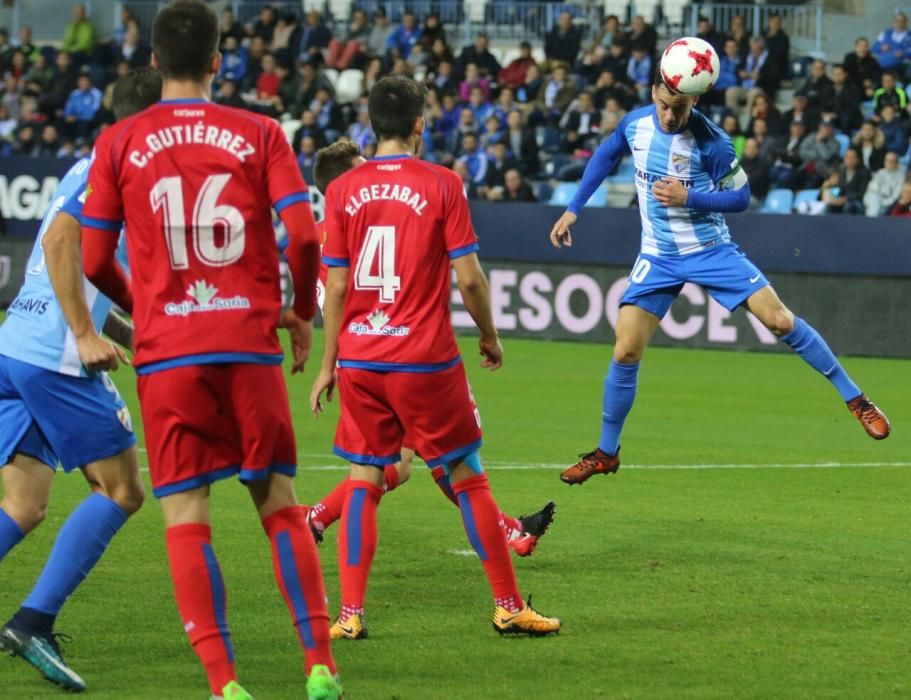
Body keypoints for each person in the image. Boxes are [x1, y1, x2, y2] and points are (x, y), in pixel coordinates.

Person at [77, 3, 342, 698]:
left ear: (155, 60)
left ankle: (225, 682)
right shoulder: (259, 132)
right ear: (220, 60)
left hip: (168, 356)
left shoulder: (117, 143)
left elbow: (94, 255)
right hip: (248, 347)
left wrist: (146, 306)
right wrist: (302, 312)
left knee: (186, 514)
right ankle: (319, 662)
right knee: (279, 503)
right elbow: (306, 238)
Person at [546, 69, 891, 485]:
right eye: (664, 105)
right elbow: (604, 155)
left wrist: (688, 195)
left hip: (710, 250)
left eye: (680, 108)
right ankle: (606, 452)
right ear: (654, 91)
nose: (670, 116)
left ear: (695, 102)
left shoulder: (712, 142)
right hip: (658, 256)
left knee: (780, 320)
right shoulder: (634, 123)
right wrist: (573, 208)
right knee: (625, 352)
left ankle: (857, 400)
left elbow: (742, 197)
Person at [312, 76, 561, 640]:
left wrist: (330, 364)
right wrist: (490, 336)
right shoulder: (443, 183)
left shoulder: (342, 192)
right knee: (467, 478)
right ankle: (507, 605)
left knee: (362, 482)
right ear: (420, 124)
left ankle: (349, 616)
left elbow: (338, 287)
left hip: (361, 359)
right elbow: (469, 280)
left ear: (371, 125)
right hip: (424, 358)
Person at [0, 68, 159, 694]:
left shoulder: (86, 162)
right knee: (122, 490)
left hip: (17, 343)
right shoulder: (118, 165)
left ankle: (31, 621)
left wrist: (124, 333)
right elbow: (65, 245)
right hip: (54, 354)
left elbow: (79, 271)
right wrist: (85, 335)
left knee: (23, 504)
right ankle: (31, 622)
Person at [821, 146, 870, 215]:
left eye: (852, 158)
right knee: (828, 206)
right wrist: (833, 196)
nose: (849, 160)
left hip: (856, 200)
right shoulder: (841, 170)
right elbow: (839, 189)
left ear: (858, 159)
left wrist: (845, 199)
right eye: (847, 157)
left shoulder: (864, 172)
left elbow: (861, 192)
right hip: (841, 198)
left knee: (848, 207)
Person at [864, 150, 904, 216]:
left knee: (874, 208)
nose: (889, 163)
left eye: (892, 161)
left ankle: (871, 220)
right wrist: (867, 200)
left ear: (897, 163)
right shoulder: (880, 172)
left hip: (888, 205)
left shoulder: (901, 176)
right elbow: (871, 189)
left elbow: (895, 196)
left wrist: (881, 203)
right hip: (875, 201)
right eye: (887, 161)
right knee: (873, 196)